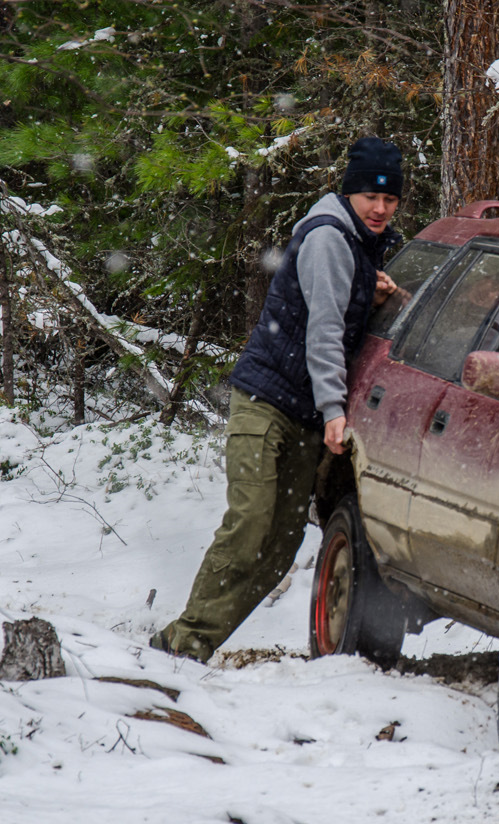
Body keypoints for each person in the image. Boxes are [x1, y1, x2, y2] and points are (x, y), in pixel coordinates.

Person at [150, 137, 406, 662]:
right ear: (349, 193)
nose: (380, 209)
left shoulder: (358, 242)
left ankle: (188, 642)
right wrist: (336, 412)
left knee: (279, 549)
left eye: (390, 200)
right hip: (265, 405)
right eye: (369, 198)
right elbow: (324, 333)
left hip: (303, 417)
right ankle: (181, 647)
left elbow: (336, 309)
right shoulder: (331, 239)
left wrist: (368, 294)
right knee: (250, 524)